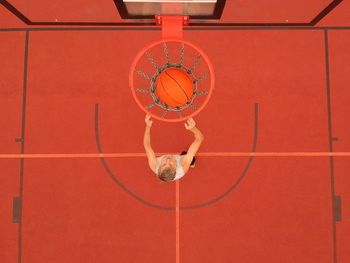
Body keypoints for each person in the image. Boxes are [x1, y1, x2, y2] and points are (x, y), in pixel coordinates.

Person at [143, 114, 204, 182]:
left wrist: (148, 126)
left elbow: (147, 145)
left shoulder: (154, 165)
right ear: (176, 168)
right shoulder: (183, 165)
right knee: (190, 158)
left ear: (159, 167)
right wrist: (193, 129)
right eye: (171, 164)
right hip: (182, 161)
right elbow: (199, 139)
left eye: (164, 164)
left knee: (187, 155)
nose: (168, 160)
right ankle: (192, 164)